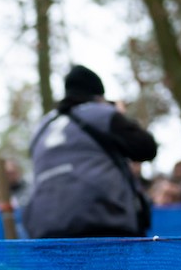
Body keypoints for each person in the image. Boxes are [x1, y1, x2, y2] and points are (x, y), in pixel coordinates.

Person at [24, 65, 157, 238]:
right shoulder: (103, 113)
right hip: (102, 221)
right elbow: (146, 149)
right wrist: (120, 114)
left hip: (44, 228)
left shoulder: (42, 127)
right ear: (98, 96)